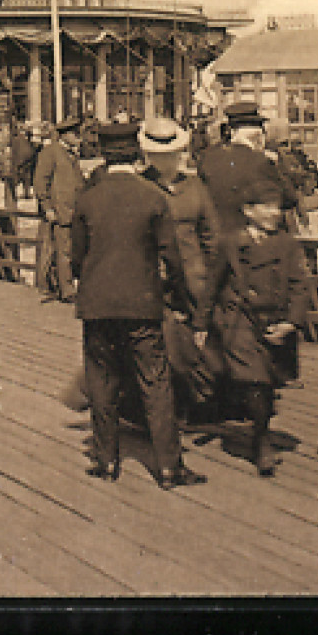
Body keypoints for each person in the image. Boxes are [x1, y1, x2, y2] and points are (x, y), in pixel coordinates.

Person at [70, 122, 206, 489]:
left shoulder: (88, 197)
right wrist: (180, 298)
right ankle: (168, 467)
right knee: (155, 381)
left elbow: (76, 257)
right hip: (143, 303)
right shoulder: (153, 197)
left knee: (101, 379)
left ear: (103, 154)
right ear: (135, 154)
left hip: (97, 304)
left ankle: (106, 460)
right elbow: (172, 256)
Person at [206, 182, 313, 476]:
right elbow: (213, 285)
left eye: (276, 207)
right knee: (255, 380)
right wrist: (201, 324)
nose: (273, 213)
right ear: (247, 211)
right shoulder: (231, 242)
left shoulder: (288, 244)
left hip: (276, 321)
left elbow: (299, 286)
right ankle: (262, 440)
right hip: (240, 320)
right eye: (265, 207)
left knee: (268, 381)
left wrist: (291, 322)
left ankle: (258, 427)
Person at [136, 117, 225, 423]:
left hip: (193, 279)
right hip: (151, 280)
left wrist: (212, 275)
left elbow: (211, 236)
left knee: (196, 342)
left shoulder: (195, 187)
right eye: (159, 154)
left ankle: (196, 406)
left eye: (172, 153)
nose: (166, 159)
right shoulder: (139, 187)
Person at [197, 101, 298, 236]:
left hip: (217, 238)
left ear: (231, 131)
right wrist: (277, 165)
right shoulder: (262, 161)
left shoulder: (207, 159)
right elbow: (289, 199)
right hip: (251, 241)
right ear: (259, 136)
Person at [33, 116, 85, 303]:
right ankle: (66, 290)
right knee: (62, 252)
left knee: (71, 251)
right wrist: (47, 206)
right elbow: (40, 182)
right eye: (75, 134)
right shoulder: (50, 152)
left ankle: (65, 285)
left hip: (74, 212)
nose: (78, 137)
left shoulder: (72, 154)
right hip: (60, 212)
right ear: (64, 135)